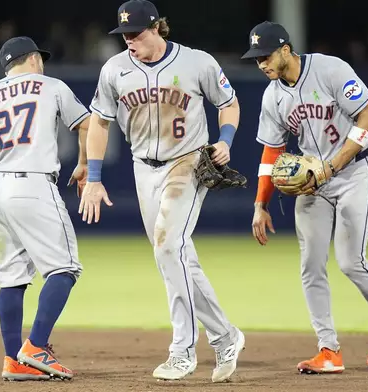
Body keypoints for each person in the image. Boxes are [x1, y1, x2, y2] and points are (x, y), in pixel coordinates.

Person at [78, 0, 245, 382]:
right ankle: (225, 336)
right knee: (173, 255)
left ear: (156, 28)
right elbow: (100, 124)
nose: (128, 41)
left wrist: (227, 139)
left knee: (169, 246)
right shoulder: (115, 69)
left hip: (187, 163)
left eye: (135, 33)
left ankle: (183, 351)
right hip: (143, 168)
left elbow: (229, 103)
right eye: (123, 35)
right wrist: (94, 177)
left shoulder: (196, 62)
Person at [242, 22, 368, 374]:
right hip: (313, 184)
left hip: (356, 173)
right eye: (255, 59)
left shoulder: (330, 69)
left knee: (350, 261)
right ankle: (328, 350)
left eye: (265, 56)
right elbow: (272, 152)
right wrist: (260, 204)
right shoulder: (273, 96)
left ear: (286, 49)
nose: (261, 64)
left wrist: (332, 167)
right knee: (311, 266)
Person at [0, 36, 90, 381]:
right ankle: (36, 346)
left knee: (11, 278)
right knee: (65, 269)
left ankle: (13, 360)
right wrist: (85, 164)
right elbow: (87, 123)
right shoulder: (51, 86)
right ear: (34, 59)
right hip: (35, 186)